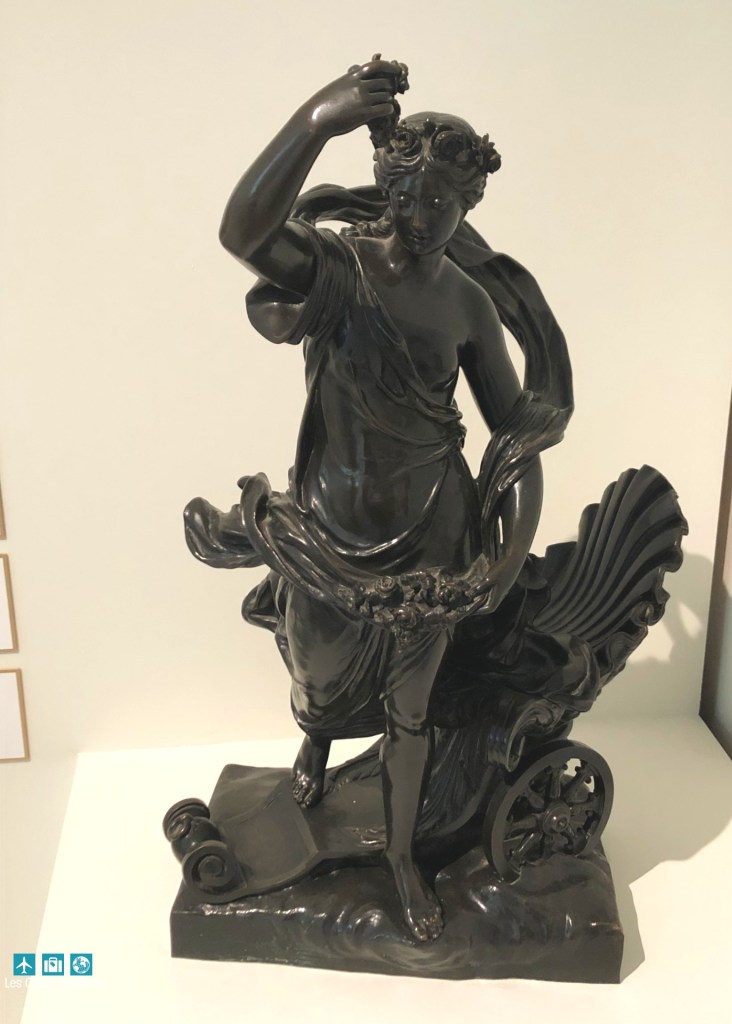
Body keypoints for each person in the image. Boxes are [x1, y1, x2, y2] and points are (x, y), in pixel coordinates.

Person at [184, 58, 574, 941]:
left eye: (444, 201)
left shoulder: (469, 306)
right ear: (387, 189)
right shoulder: (337, 269)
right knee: (316, 682)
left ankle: (400, 859)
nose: (424, 215)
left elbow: (516, 437)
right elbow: (243, 231)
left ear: (469, 204)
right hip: (329, 530)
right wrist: (315, 121)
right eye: (410, 195)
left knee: (411, 714)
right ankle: (318, 741)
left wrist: (504, 560)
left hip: (434, 537)